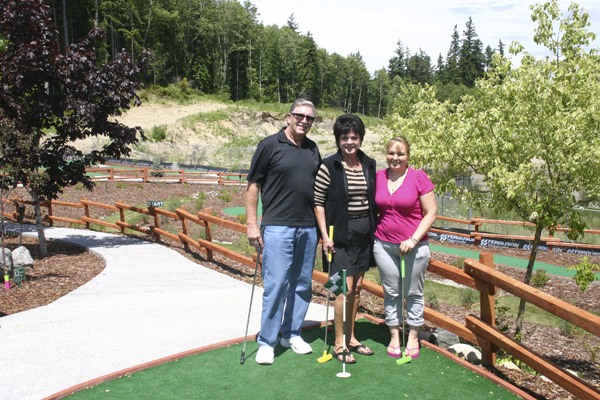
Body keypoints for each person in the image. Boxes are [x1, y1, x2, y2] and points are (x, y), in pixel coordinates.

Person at [246, 98, 321, 365]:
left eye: (310, 118)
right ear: (288, 117)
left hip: (308, 227)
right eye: (300, 115)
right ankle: (267, 340)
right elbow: (253, 186)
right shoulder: (269, 145)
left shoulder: (313, 149)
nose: (304, 121)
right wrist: (252, 223)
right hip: (277, 226)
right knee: (277, 284)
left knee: (302, 284)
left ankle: (291, 332)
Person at [314, 114, 377, 364]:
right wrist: (323, 236)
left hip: (364, 232)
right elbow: (318, 203)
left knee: (357, 288)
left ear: (360, 138)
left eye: (354, 137)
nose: (350, 142)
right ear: (338, 140)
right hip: (338, 235)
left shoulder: (369, 164)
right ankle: (339, 342)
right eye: (344, 138)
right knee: (342, 288)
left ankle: (351, 337)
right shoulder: (328, 166)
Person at [373, 137, 437, 359]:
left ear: (408, 156)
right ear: (386, 154)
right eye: (391, 153)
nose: (395, 158)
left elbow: (430, 213)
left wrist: (413, 239)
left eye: (400, 154)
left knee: (413, 292)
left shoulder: (419, 177)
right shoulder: (379, 176)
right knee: (391, 292)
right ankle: (394, 335)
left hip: (414, 246)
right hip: (383, 244)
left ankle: (412, 335)